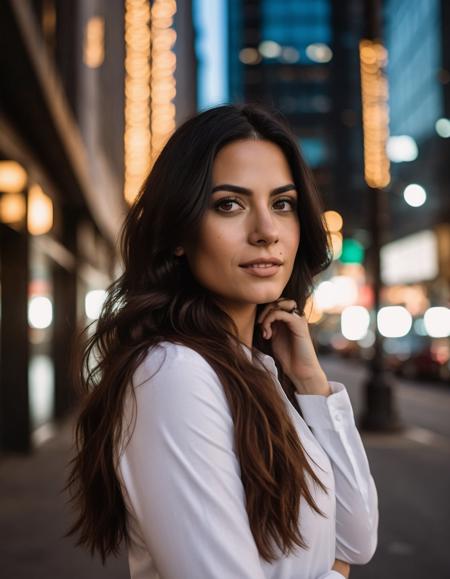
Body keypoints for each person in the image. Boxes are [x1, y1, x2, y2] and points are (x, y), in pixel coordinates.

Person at [66, 103, 379, 579]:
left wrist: (313, 385)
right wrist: (331, 575)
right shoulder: (171, 373)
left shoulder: (259, 370)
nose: (266, 232)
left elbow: (357, 540)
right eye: (229, 204)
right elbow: (342, 562)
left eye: (283, 203)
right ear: (178, 231)